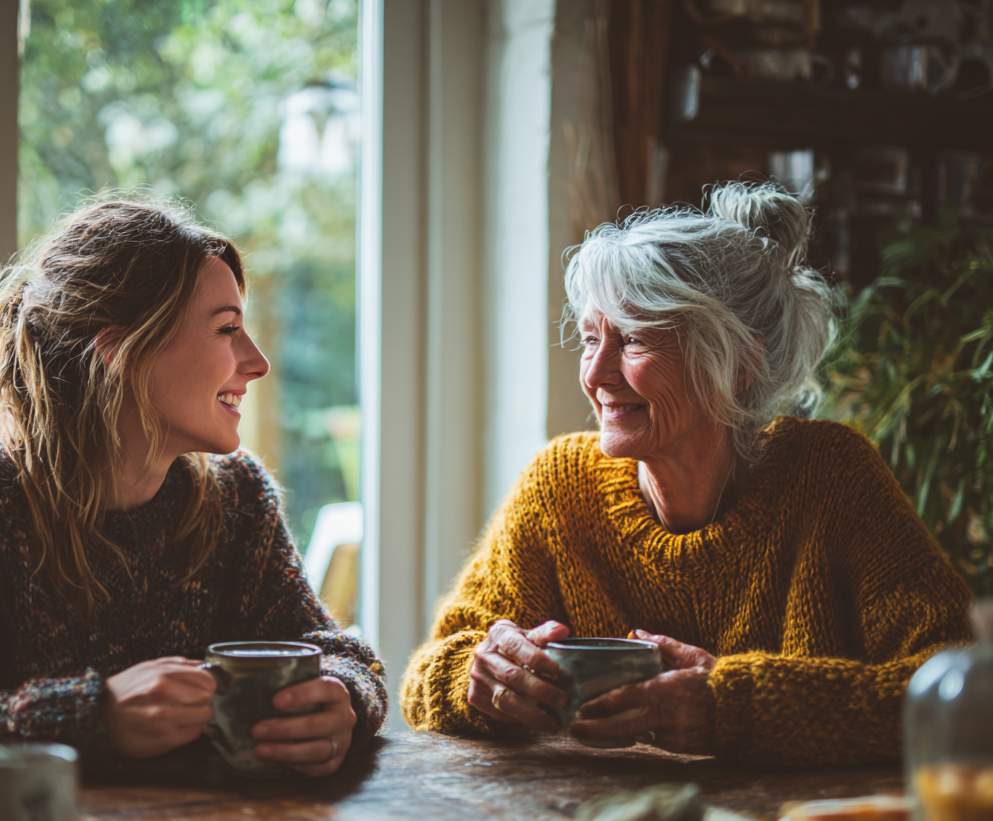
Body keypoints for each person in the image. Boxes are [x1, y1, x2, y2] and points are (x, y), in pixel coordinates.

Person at [400, 183, 971, 766]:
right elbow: (429, 673)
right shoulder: (559, 487)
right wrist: (478, 678)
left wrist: (735, 705)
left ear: (739, 365)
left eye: (635, 339)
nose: (596, 373)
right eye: (592, 338)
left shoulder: (831, 476)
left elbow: (965, 695)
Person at [0, 199, 386, 776]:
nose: (257, 362)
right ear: (121, 350)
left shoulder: (238, 500)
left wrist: (344, 700)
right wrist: (91, 717)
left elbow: (334, 652)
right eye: (226, 330)